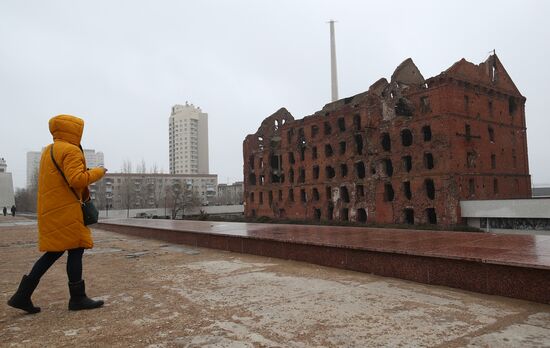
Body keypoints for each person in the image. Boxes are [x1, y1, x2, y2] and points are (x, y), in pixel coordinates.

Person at [8, 115, 107, 314]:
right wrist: (98, 171)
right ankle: (77, 299)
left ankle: (22, 295)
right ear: (74, 131)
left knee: (54, 252)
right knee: (76, 249)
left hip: (52, 210)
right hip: (67, 212)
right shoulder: (70, 150)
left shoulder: (49, 151)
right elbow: (77, 180)